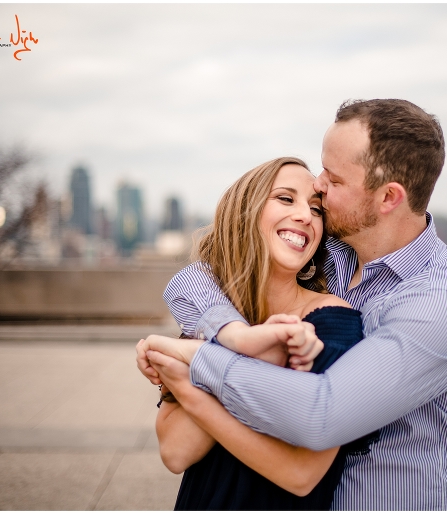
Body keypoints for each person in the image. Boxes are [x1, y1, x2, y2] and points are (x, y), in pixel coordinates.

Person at [139, 99, 447, 510]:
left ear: (388, 197)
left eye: (334, 179)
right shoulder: (333, 255)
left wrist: (192, 360)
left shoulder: (444, 306)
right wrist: (236, 335)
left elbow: (321, 415)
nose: (319, 186)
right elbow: (199, 277)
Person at [139, 156, 374, 510]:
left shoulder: (333, 322)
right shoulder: (214, 316)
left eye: (316, 208)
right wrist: (249, 349)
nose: (305, 215)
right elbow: (175, 452)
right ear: (244, 212)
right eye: (285, 198)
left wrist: (192, 368)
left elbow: (301, 475)